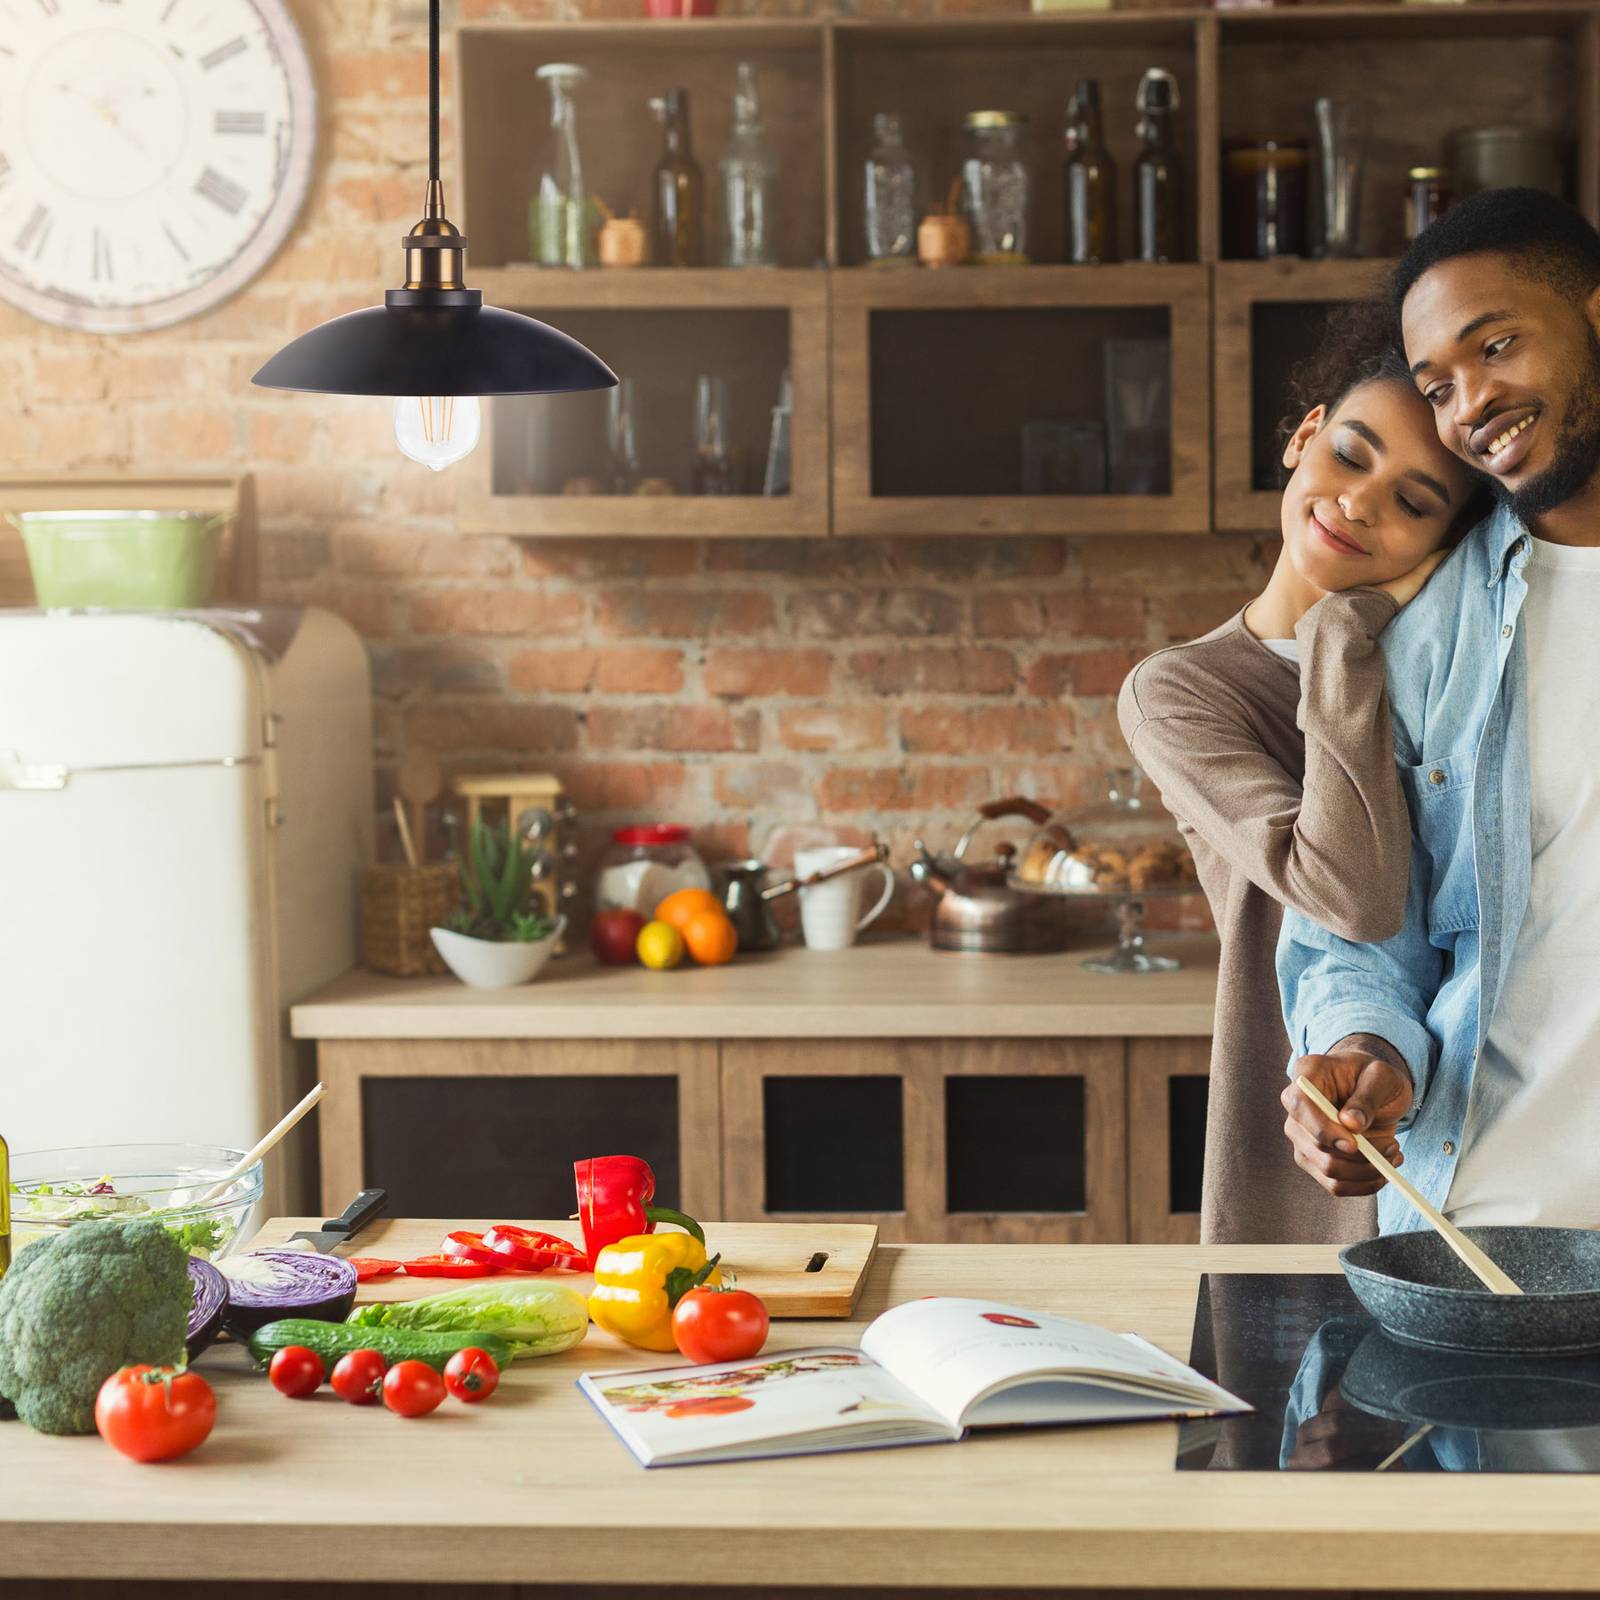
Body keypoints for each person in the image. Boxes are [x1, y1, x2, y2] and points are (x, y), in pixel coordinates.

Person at [1118, 305, 1481, 1245]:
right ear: (1305, 435)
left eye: (1414, 501)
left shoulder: (1452, 671)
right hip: (1310, 1125)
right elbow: (1348, 893)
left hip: (1469, 1126)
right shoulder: (1182, 691)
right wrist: (1341, 631)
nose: (1361, 504)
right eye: (1352, 456)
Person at [1280, 188, 1600, 1232]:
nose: (1469, 404)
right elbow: (1361, 940)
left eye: (1495, 345)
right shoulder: (1423, 642)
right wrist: (1365, 1059)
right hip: (1488, 1243)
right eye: (1437, 384)